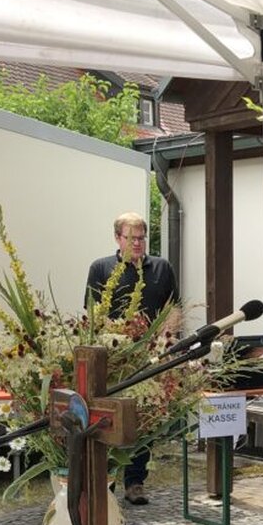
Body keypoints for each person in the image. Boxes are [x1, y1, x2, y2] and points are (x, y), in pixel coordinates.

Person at [85, 212, 180, 504]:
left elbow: (173, 308)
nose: (138, 244)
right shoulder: (101, 269)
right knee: (112, 421)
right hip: (115, 360)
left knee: (144, 420)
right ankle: (108, 481)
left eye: (141, 238)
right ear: (118, 238)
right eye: (131, 238)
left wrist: (164, 340)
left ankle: (135, 481)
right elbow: (91, 313)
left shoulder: (161, 268)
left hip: (149, 359)